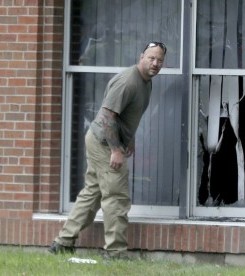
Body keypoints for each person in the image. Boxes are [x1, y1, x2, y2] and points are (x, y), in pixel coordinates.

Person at [48, 41, 167, 260]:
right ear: (141, 56)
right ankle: (115, 252)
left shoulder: (146, 81)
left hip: (106, 140)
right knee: (117, 197)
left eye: (160, 60)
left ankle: (63, 242)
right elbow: (107, 117)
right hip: (104, 143)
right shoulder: (128, 81)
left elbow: (124, 116)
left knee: (92, 194)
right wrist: (116, 150)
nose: (155, 63)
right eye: (151, 58)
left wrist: (128, 140)